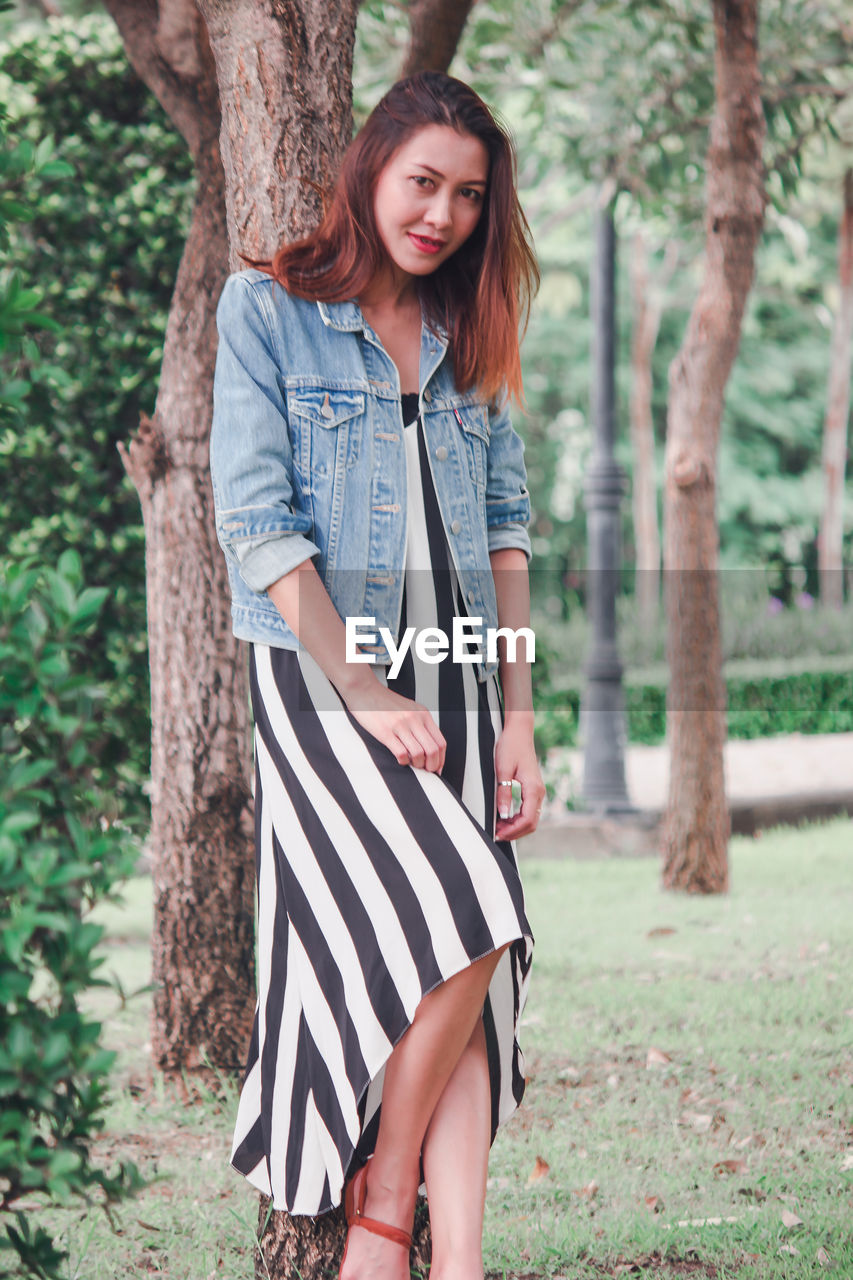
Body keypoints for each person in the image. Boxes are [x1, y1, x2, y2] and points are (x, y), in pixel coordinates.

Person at [209, 70, 544, 1280]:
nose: (442, 213)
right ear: (369, 170)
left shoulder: (469, 333)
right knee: (469, 912)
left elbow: (504, 526)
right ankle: (385, 1207)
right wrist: (364, 688)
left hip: (452, 675)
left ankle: (451, 1260)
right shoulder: (266, 309)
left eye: (467, 194)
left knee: (472, 967)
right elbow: (255, 523)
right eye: (423, 182)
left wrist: (516, 715)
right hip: (321, 679)